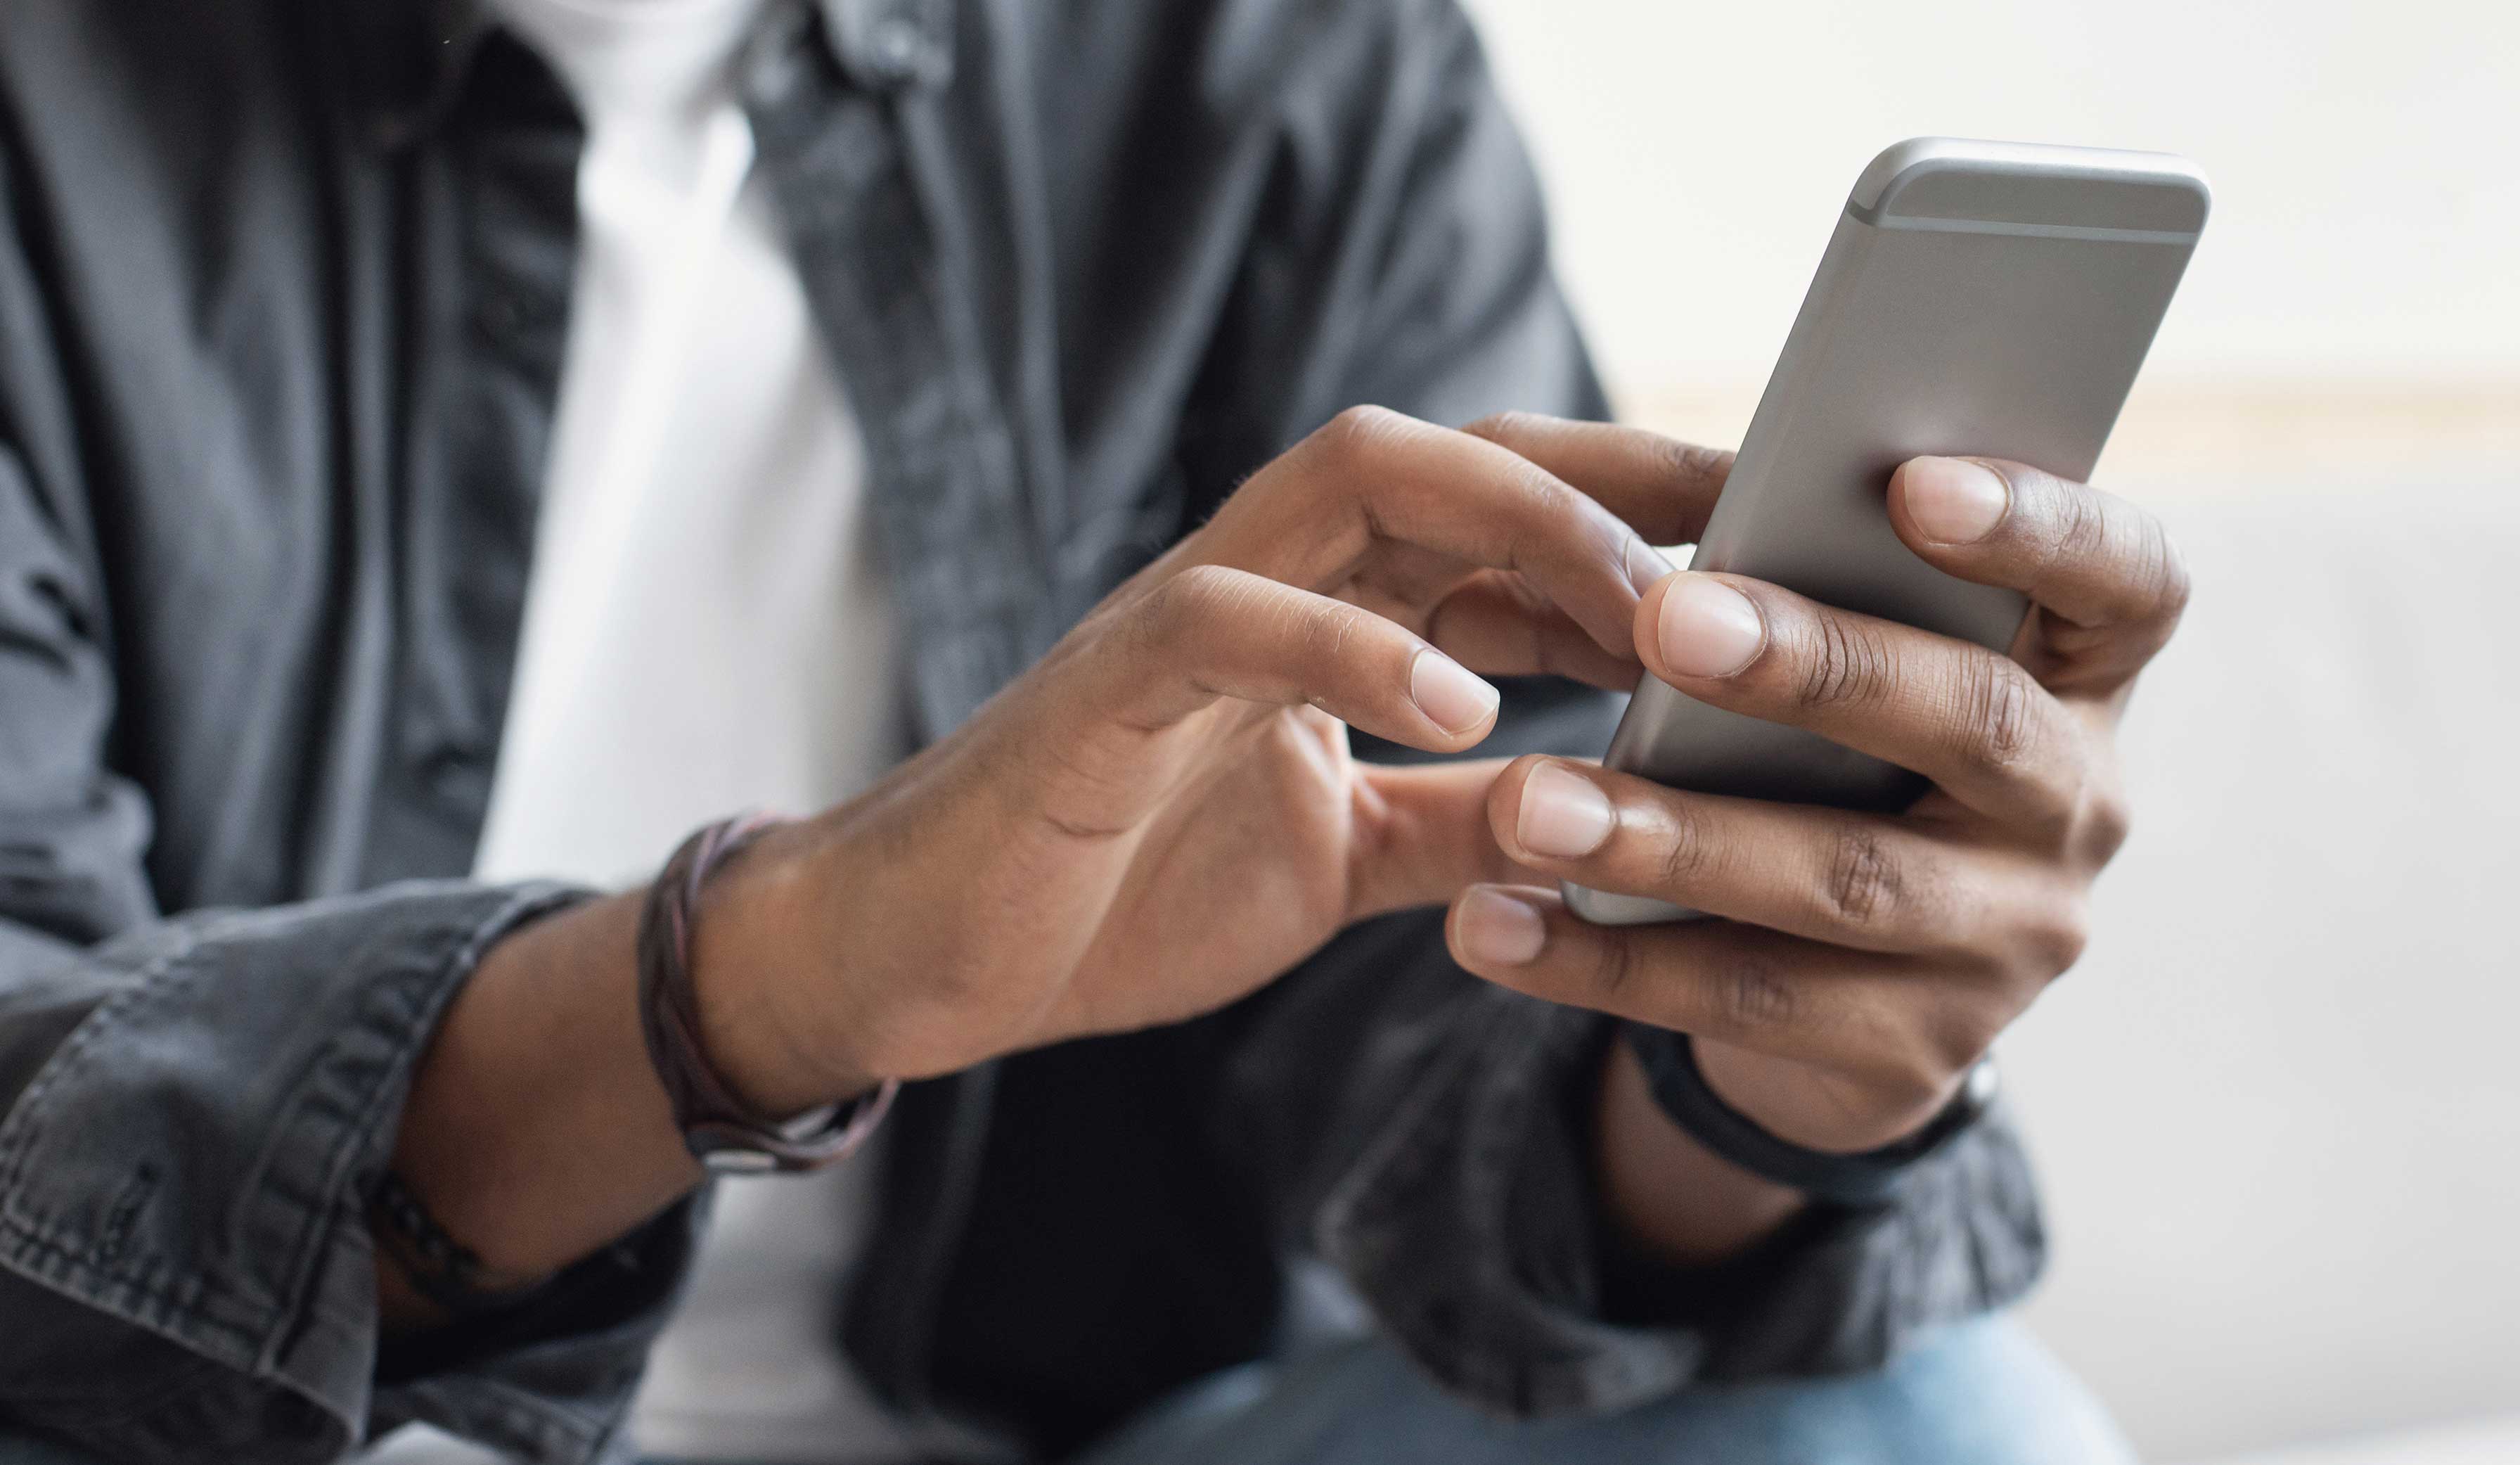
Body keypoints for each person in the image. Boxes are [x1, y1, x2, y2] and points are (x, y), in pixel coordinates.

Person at [0, 1, 2190, 1461]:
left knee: (1913, 1416)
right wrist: (780, 971)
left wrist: (1761, 1079)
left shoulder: (1266, 62)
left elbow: (1457, 1058)